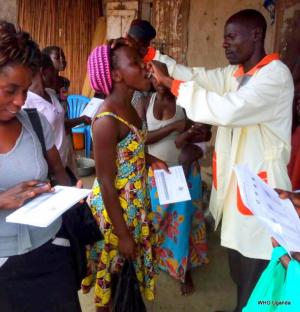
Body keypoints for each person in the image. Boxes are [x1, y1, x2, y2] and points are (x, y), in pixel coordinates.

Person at [146, 9, 294, 312]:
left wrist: (172, 86)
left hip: (263, 200)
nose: (224, 44)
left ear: (256, 35)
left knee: (258, 279)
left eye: (231, 36)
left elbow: (228, 109)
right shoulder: (236, 75)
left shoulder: (275, 76)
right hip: (240, 198)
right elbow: (197, 76)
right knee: (240, 271)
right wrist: (154, 55)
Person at [0, 21, 81, 311]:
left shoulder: (34, 122)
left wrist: (69, 192)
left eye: (25, 90)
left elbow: (58, 171)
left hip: (50, 252)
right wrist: (2, 200)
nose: (20, 101)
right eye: (10, 90)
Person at [81, 42, 168, 311]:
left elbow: (130, 150)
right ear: (116, 75)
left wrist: (151, 160)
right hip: (114, 215)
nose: (144, 66)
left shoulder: (129, 108)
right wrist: (123, 235)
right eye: (134, 62)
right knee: (112, 278)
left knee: (125, 279)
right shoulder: (107, 119)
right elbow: (106, 181)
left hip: (134, 208)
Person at [136, 64, 210, 295]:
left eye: (159, 74)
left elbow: (205, 132)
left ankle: (183, 269)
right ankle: (156, 260)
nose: (155, 79)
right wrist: (174, 127)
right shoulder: (144, 102)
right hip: (156, 171)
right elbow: (140, 138)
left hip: (184, 171)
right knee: (157, 219)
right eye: (151, 75)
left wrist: (193, 134)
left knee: (183, 222)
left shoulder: (184, 101)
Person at [24, 53, 91, 178]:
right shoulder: (27, 102)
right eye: (53, 72)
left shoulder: (51, 93)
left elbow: (59, 123)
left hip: (66, 161)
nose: (57, 76)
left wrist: (81, 119)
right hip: (50, 170)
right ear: (43, 71)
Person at [126, 19, 157, 108]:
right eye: (147, 43)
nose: (148, 46)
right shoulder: (127, 55)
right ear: (140, 42)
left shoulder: (142, 53)